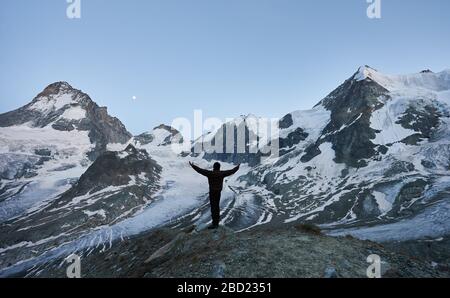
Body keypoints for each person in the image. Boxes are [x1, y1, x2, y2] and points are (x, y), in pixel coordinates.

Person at [189, 161, 240, 229]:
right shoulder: (221, 173)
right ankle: (216, 223)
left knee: (213, 208)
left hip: (212, 192)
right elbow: (231, 171)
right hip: (218, 192)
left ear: (213, 167)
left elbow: (200, 170)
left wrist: (193, 166)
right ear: (219, 167)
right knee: (217, 207)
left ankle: (214, 224)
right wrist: (237, 167)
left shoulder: (210, 173)